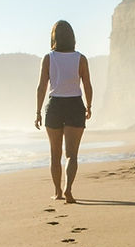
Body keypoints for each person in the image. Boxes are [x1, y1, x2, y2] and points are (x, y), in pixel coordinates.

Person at [35, 20, 92, 203]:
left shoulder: (48, 58)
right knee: (72, 155)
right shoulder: (80, 58)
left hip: (55, 106)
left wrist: (37, 112)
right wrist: (89, 106)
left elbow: (41, 87)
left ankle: (58, 191)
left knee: (55, 154)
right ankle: (68, 190)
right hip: (75, 104)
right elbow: (88, 85)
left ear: (54, 37)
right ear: (72, 37)